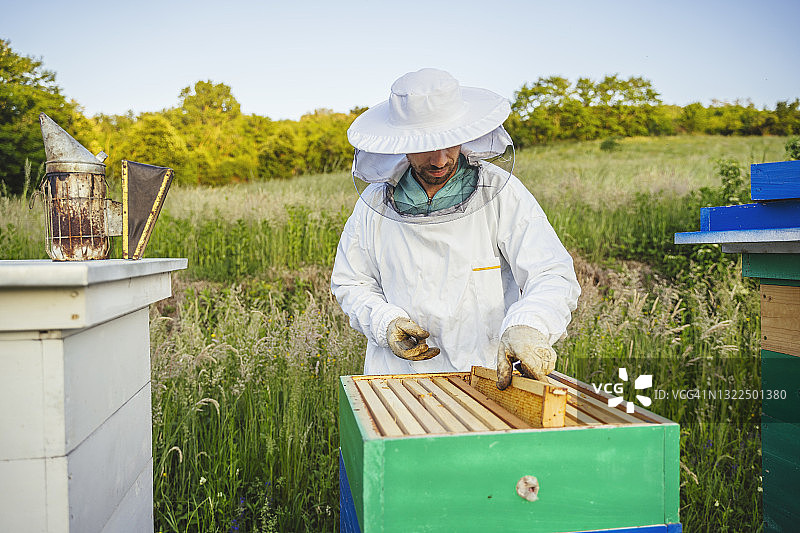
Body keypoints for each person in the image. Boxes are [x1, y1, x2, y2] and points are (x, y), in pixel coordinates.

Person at [331, 68, 580, 389]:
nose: (439, 160)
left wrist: (529, 325)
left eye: (449, 143)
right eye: (425, 146)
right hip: (396, 379)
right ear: (401, 143)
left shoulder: (500, 191)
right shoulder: (374, 204)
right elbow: (351, 282)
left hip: (485, 376)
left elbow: (551, 273)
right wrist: (384, 322)